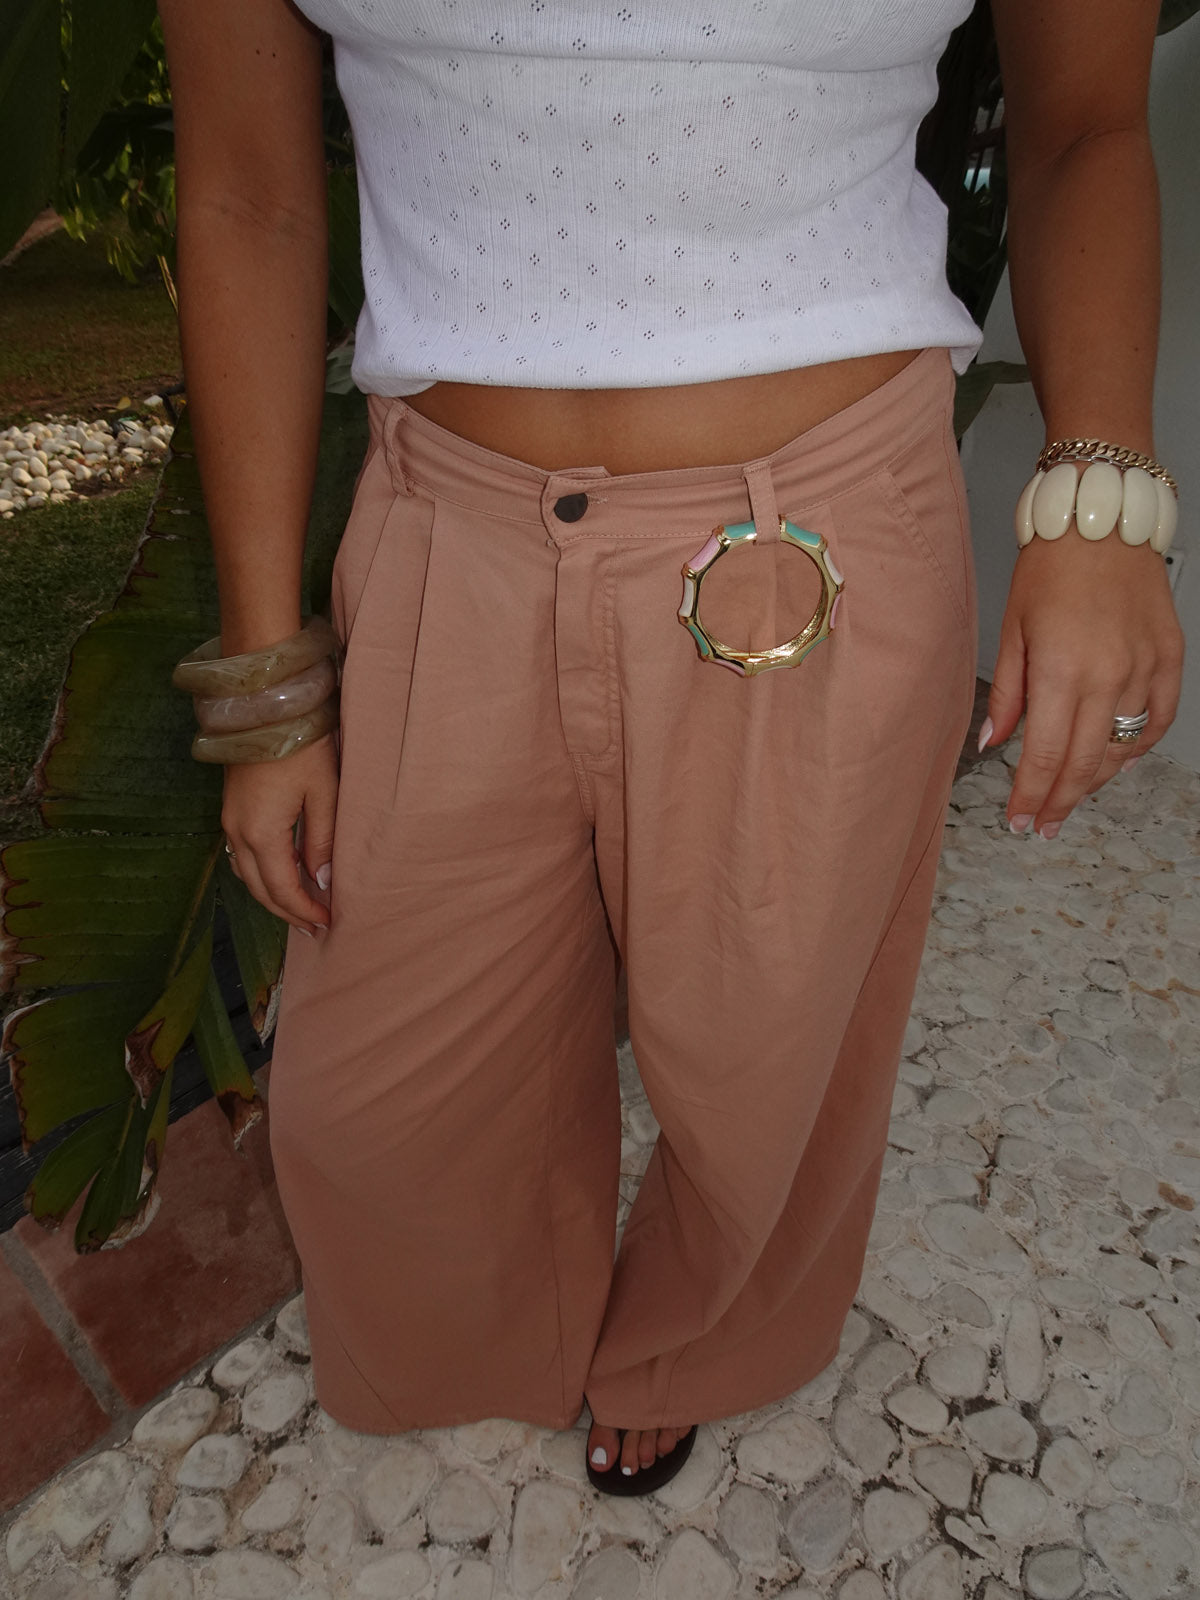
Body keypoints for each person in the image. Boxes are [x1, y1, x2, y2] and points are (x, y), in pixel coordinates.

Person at [160, 0, 1183, 1494]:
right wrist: (266, 680)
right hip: (448, 532)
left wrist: (1103, 500)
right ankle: (501, 1334)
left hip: (822, 531)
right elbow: (244, 190)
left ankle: (701, 1341)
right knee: (373, 1104)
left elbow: (1086, 124)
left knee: (770, 1056)